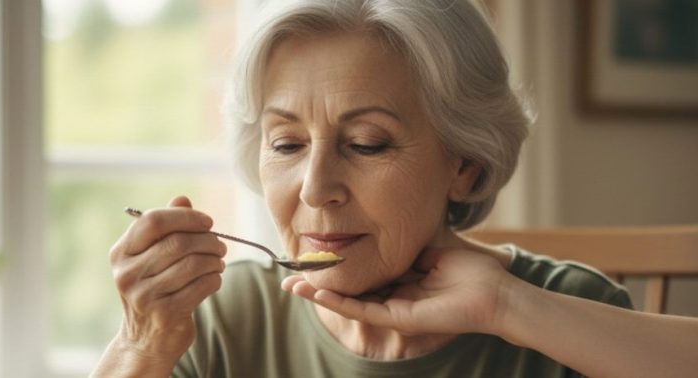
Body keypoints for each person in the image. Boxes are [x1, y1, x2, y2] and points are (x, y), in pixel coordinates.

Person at [91, 1, 698, 377]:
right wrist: (142, 344)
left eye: (367, 143)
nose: (316, 189)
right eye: (287, 144)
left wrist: (508, 308)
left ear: (466, 165)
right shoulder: (224, 320)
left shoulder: (563, 309)